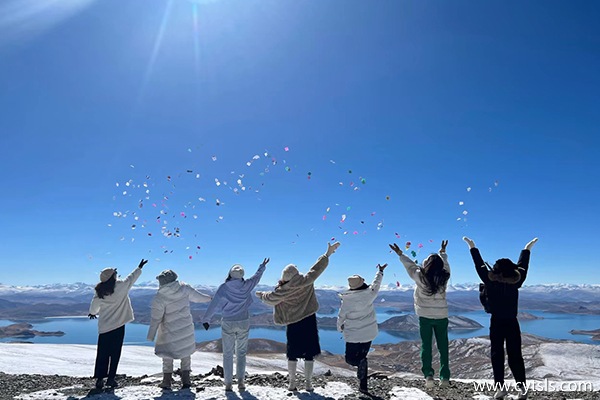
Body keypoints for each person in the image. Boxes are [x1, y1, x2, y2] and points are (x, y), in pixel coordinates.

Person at [256, 242, 341, 392]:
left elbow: (269, 298)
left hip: (293, 322)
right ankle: (308, 384)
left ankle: (292, 383)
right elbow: (317, 269)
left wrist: (260, 295)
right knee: (309, 352)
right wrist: (327, 254)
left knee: (292, 353)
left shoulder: (283, 290)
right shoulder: (306, 281)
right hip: (309, 320)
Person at [463, 237, 538, 400]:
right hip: (512, 322)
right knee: (515, 355)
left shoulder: (489, 281)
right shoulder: (516, 282)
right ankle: (522, 389)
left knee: (497, 355)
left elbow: (479, 264)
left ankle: (500, 388)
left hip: (496, 322)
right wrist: (526, 250)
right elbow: (523, 266)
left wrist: (473, 247)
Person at [201, 258, 269, 392]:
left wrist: (206, 319)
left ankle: (228, 384)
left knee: (227, 353)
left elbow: (214, 304)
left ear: (230, 274)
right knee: (241, 353)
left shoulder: (224, 287)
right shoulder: (247, 285)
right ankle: (241, 382)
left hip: (228, 321)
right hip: (243, 320)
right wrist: (262, 266)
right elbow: (257, 277)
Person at [390, 240, 451, 389]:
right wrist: (442, 252)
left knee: (426, 345)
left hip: (425, 316)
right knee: (443, 347)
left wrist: (400, 254)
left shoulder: (420, 276)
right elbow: (445, 264)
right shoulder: (445, 276)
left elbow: (410, 265)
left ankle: (428, 375)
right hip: (441, 316)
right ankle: (444, 377)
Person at [146, 269, 212, 389]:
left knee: (167, 355)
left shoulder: (160, 297)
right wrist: (210, 298)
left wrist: (151, 335)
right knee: (185, 352)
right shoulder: (184, 288)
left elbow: (156, 318)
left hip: (168, 330)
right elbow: (199, 298)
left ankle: (166, 381)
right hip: (185, 327)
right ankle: (186, 381)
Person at [89, 258, 148, 389]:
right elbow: (131, 278)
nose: (117, 274)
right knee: (115, 353)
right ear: (112, 276)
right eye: (115, 273)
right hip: (118, 326)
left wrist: (92, 313)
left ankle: (99, 379)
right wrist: (139, 268)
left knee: (102, 354)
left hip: (104, 328)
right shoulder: (121, 286)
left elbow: (94, 308)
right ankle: (111, 379)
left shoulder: (100, 291)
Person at [337, 263, 387, 394]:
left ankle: (360, 366)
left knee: (350, 359)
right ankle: (363, 387)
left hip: (353, 335)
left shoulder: (347, 300)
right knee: (363, 358)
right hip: (368, 334)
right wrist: (380, 272)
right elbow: (376, 284)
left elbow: (341, 316)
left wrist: (339, 328)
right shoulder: (369, 294)